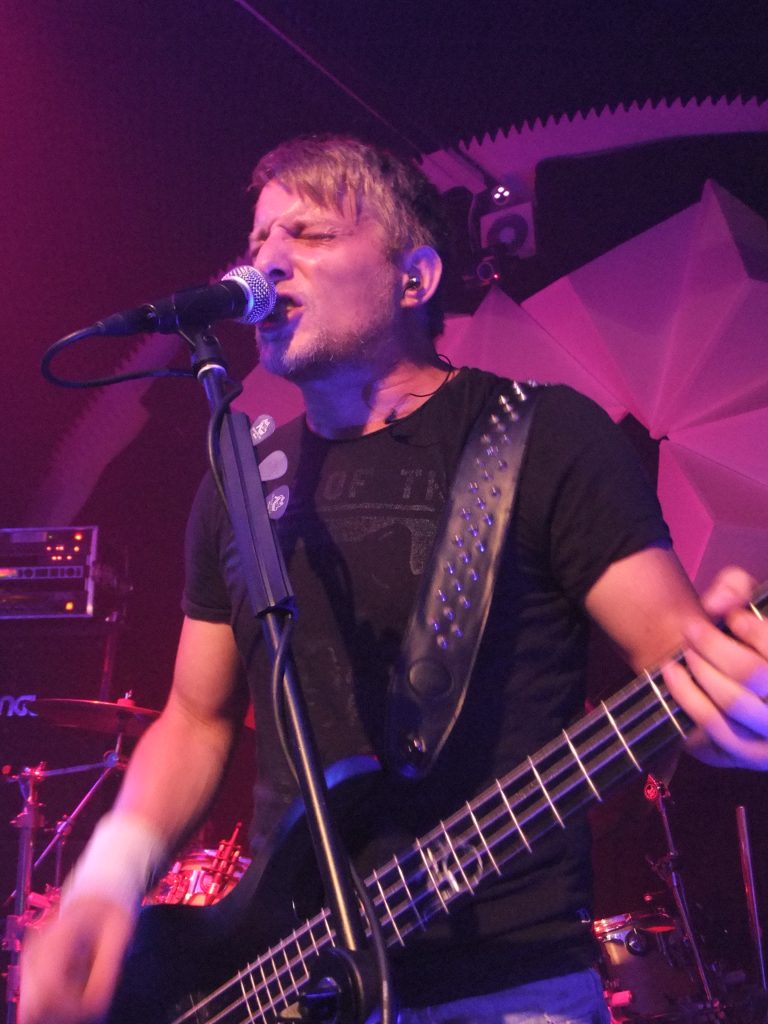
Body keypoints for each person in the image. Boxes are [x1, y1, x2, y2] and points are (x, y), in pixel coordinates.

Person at [20, 135, 768, 1024]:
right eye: (257, 241)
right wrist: (104, 882)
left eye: (308, 233)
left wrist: (737, 701)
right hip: (284, 977)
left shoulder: (543, 435)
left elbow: (680, 669)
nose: (264, 261)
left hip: (507, 986)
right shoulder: (240, 482)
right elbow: (195, 717)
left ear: (415, 279)